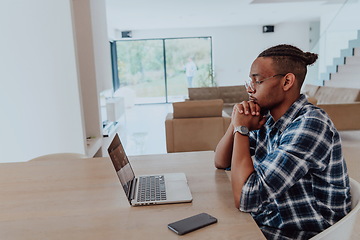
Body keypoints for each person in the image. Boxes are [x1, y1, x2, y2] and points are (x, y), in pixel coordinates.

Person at [214, 44, 351, 240]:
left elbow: (247, 197)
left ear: (287, 81)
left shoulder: (310, 125)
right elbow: (221, 161)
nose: (250, 89)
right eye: (249, 81)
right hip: (271, 218)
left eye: (258, 81)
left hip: (302, 233)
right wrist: (236, 122)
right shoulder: (269, 120)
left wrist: (242, 130)